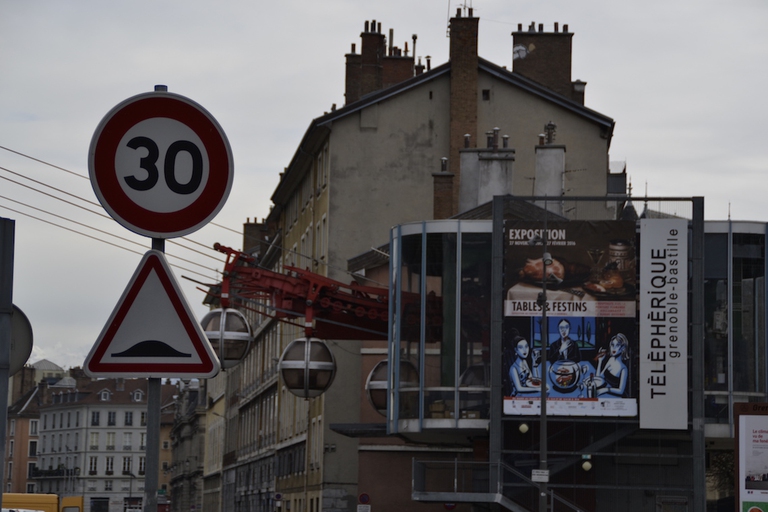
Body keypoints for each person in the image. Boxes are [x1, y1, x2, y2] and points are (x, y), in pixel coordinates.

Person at [595, 333, 630, 397]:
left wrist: (605, 390)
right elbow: (599, 378)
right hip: (606, 394)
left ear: (623, 348)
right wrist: (600, 361)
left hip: (617, 397)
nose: (614, 348)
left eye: (617, 345)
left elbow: (621, 391)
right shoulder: (611, 359)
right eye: (612, 345)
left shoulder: (623, 369)